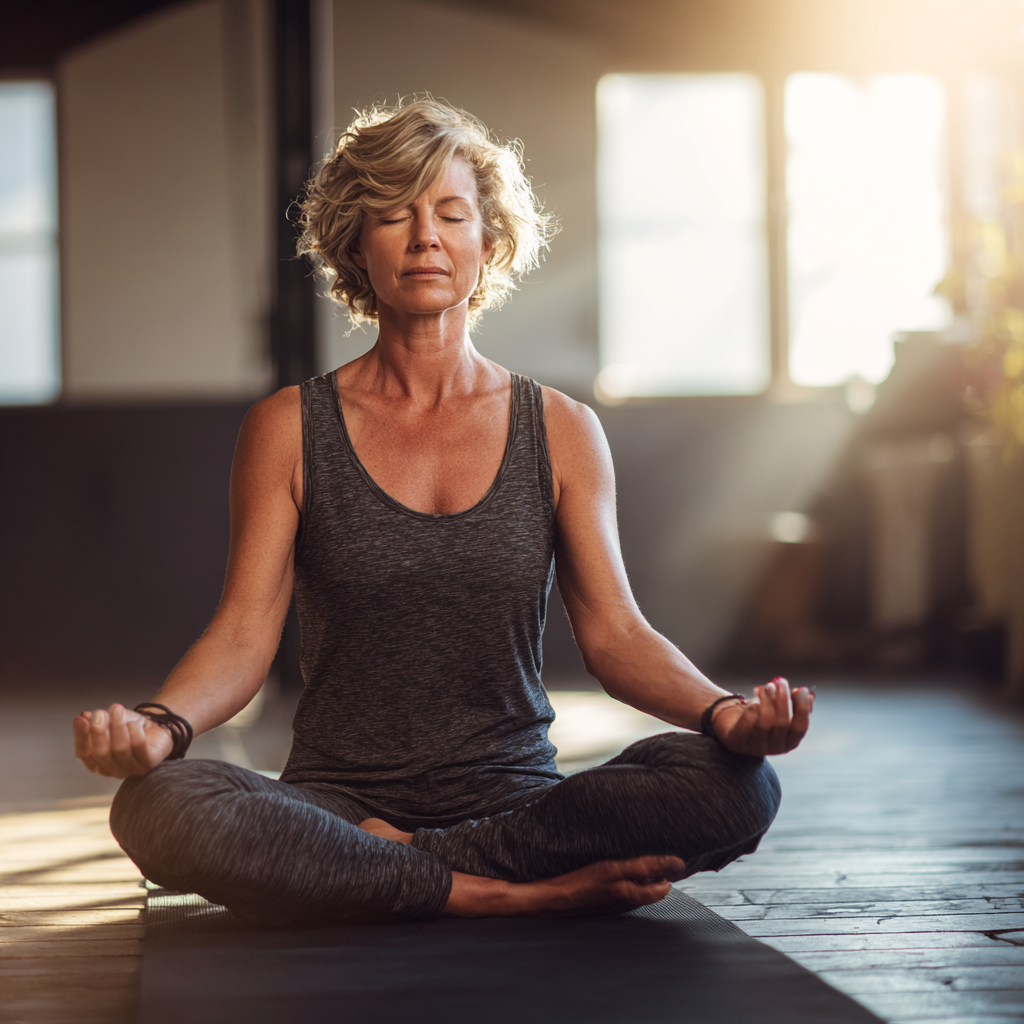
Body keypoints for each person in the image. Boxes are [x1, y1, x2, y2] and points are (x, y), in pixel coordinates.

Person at [73, 98, 813, 927]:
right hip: (338, 803)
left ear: (486, 243)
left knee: (735, 786)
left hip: (517, 807)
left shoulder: (561, 428)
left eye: (450, 214)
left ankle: (393, 875)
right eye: (393, 215)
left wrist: (726, 715)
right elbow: (245, 634)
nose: (424, 235)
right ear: (357, 245)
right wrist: (161, 728)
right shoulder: (287, 427)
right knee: (157, 803)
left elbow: (616, 635)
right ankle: (491, 894)